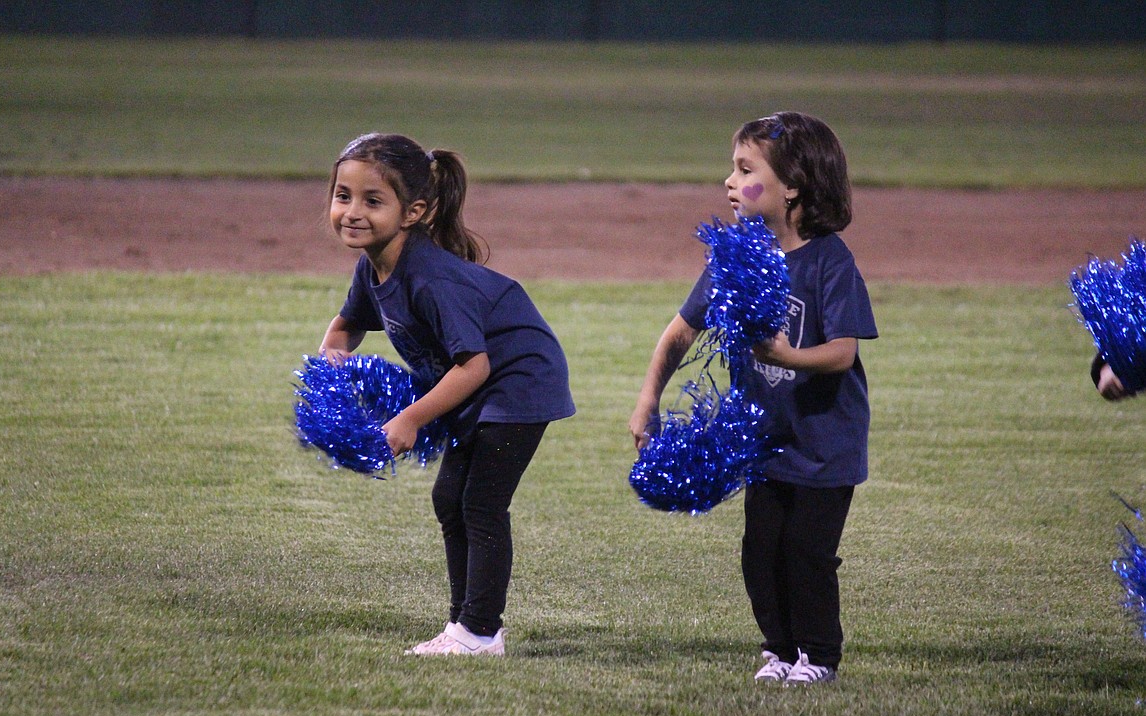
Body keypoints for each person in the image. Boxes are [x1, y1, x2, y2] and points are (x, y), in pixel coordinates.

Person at [629, 112, 877, 685]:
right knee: (761, 550)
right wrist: (647, 400)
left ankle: (819, 657)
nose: (729, 182)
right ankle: (782, 650)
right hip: (763, 440)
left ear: (792, 187)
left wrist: (787, 356)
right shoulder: (737, 256)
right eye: (732, 170)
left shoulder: (829, 260)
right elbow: (679, 333)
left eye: (745, 170)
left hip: (824, 441)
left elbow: (841, 352)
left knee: (807, 553)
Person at [319, 133, 575, 656]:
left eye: (372, 200)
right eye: (343, 195)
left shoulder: (431, 277)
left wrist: (409, 419)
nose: (351, 212)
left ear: (412, 211)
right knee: (449, 500)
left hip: (517, 380)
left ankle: (480, 632)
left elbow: (474, 365)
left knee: (481, 503)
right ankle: (465, 627)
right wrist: (330, 371)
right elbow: (346, 327)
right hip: (480, 384)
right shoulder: (374, 266)